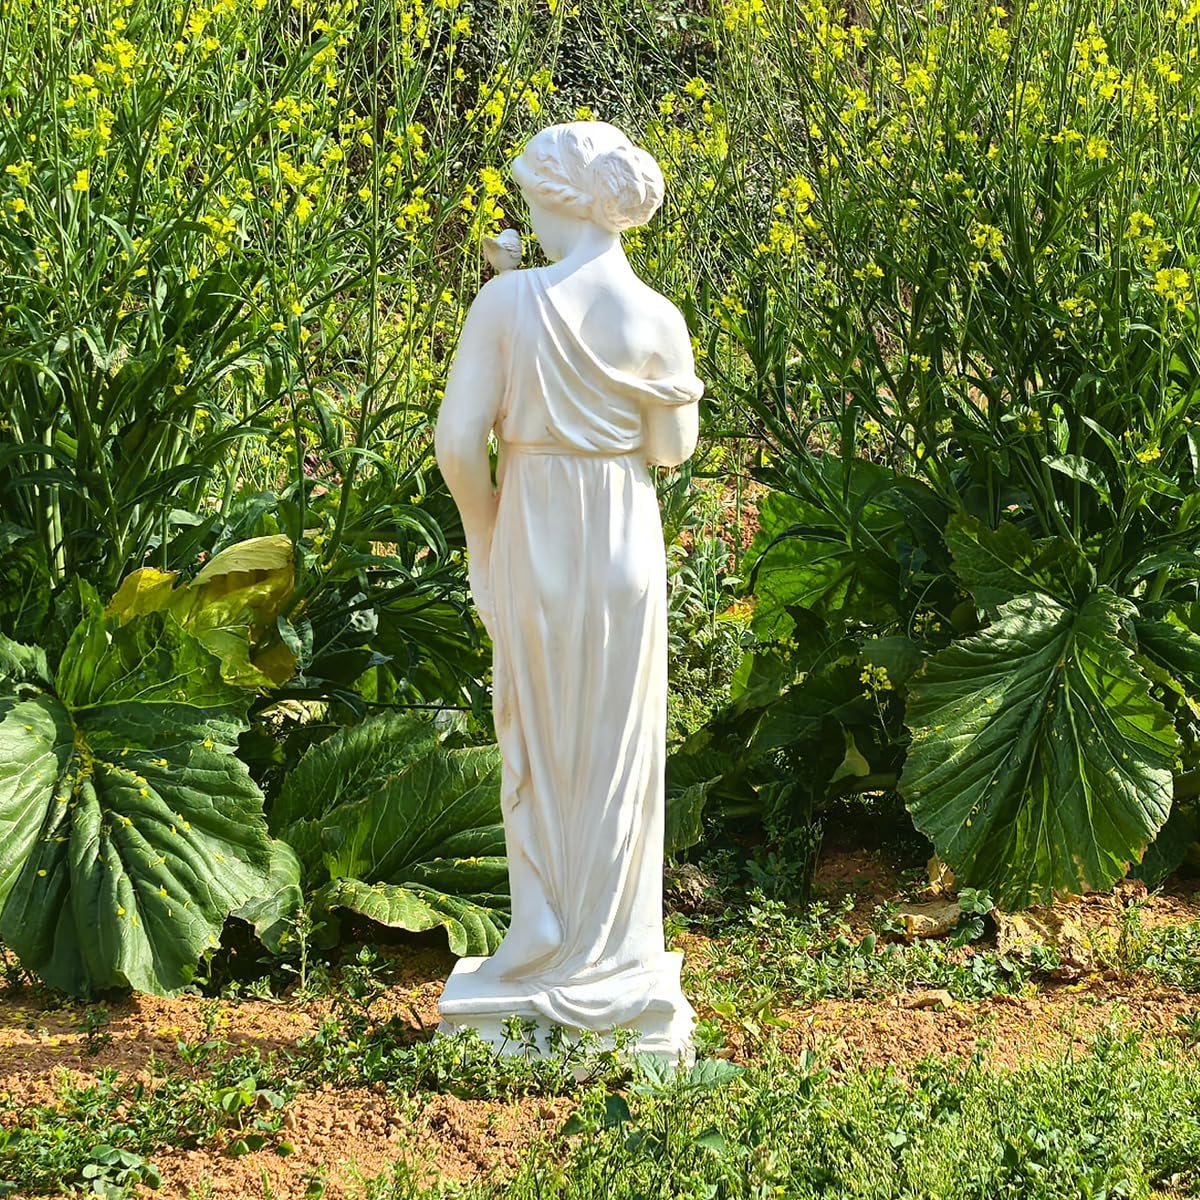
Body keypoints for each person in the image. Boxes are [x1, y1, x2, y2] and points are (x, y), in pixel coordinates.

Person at [434, 122, 703, 1060]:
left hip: (535, 525)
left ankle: (542, 932)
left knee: (537, 733)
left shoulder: (508, 302)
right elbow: (670, 452)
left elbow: (460, 444)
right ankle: (618, 950)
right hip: (624, 534)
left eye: (532, 200)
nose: (527, 219)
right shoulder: (658, 318)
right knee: (619, 748)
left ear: (559, 202)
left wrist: (483, 537)